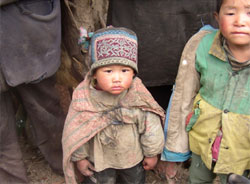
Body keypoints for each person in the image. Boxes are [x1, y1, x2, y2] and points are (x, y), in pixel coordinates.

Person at [62, 27, 165, 184]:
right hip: (99, 161)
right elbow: (76, 130)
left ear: (133, 73)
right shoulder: (84, 97)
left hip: (131, 158)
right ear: (94, 73)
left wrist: (151, 154)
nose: (117, 78)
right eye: (108, 71)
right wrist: (80, 158)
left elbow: (151, 126)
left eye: (124, 70)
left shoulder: (138, 95)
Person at [162, 0, 250, 183]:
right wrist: (175, 150)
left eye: (249, 13)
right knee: (198, 179)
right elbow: (183, 95)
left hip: (242, 151)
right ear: (217, 18)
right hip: (204, 141)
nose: (240, 21)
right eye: (231, 13)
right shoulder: (202, 46)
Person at [0, 0, 65, 183]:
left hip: (25, 27)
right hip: (27, 29)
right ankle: (11, 178)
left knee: (45, 107)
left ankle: (65, 161)